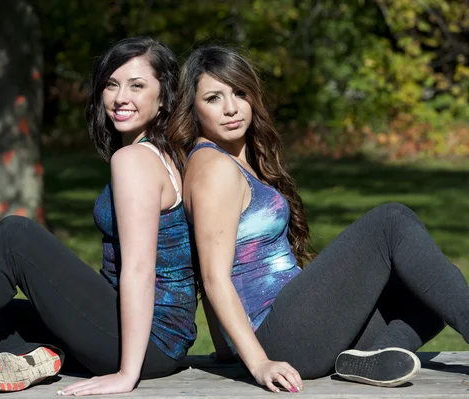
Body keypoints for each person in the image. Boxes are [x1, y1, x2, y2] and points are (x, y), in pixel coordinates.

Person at [0, 36, 198, 396]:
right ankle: (37, 357)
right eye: (111, 84)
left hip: (147, 343)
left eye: (137, 86)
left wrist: (127, 374)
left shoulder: (134, 160)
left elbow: (140, 268)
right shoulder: (165, 154)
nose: (120, 98)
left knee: (15, 238)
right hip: (158, 338)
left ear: (164, 96)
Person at [168, 45, 468, 393]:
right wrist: (257, 362)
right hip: (279, 337)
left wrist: (224, 350)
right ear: (193, 107)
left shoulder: (234, 160)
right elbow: (212, 275)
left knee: (431, 289)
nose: (231, 108)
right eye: (214, 98)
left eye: (239, 92)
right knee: (392, 221)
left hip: (298, 331)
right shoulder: (214, 168)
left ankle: (367, 359)